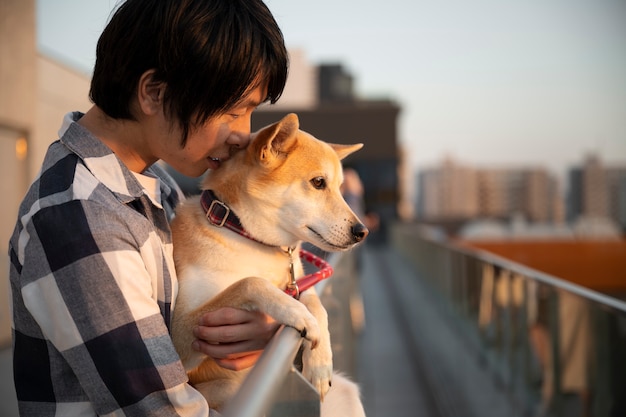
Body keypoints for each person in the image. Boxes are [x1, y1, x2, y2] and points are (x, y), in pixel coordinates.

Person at [8, 0, 288, 415]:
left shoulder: (159, 188)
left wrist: (257, 328)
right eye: (234, 110)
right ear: (154, 93)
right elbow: (163, 410)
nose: (243, 136)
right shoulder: (79, 215)